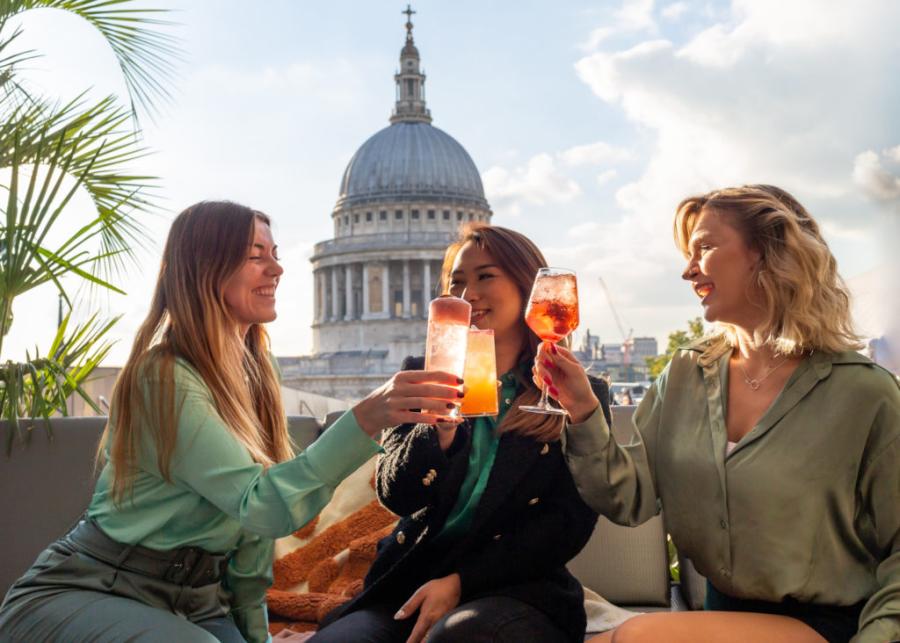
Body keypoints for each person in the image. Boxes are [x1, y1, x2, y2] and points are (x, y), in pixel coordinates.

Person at [0, 201, 461, 643]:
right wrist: (364, 419)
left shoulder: (256, 371)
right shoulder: (162, 375)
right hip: (92, 589)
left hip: (196, 604)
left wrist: (256, 636)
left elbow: (252, 541)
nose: (277, 269)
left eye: (275, 256)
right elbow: (262, 505)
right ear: (206, 270)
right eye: (254, 256)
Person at [533, 185, 900, 643]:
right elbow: (630, 497)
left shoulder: (865, 394)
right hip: (719, 617)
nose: (688, 271)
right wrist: (583, 408)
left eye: (704, 248)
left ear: (769, 253)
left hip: (835, 625)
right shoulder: (686, 373)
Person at [310, 224, 609, 643]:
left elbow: (567, 523)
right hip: (410, 582)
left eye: (486, 276)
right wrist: (438, 432)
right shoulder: (421, 375)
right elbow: (399, 497)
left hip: (517, 590)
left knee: (459, 637)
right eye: (458, 282)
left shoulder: (579, 393)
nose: (469, 295)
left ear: (528, 286)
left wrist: (461, 582)